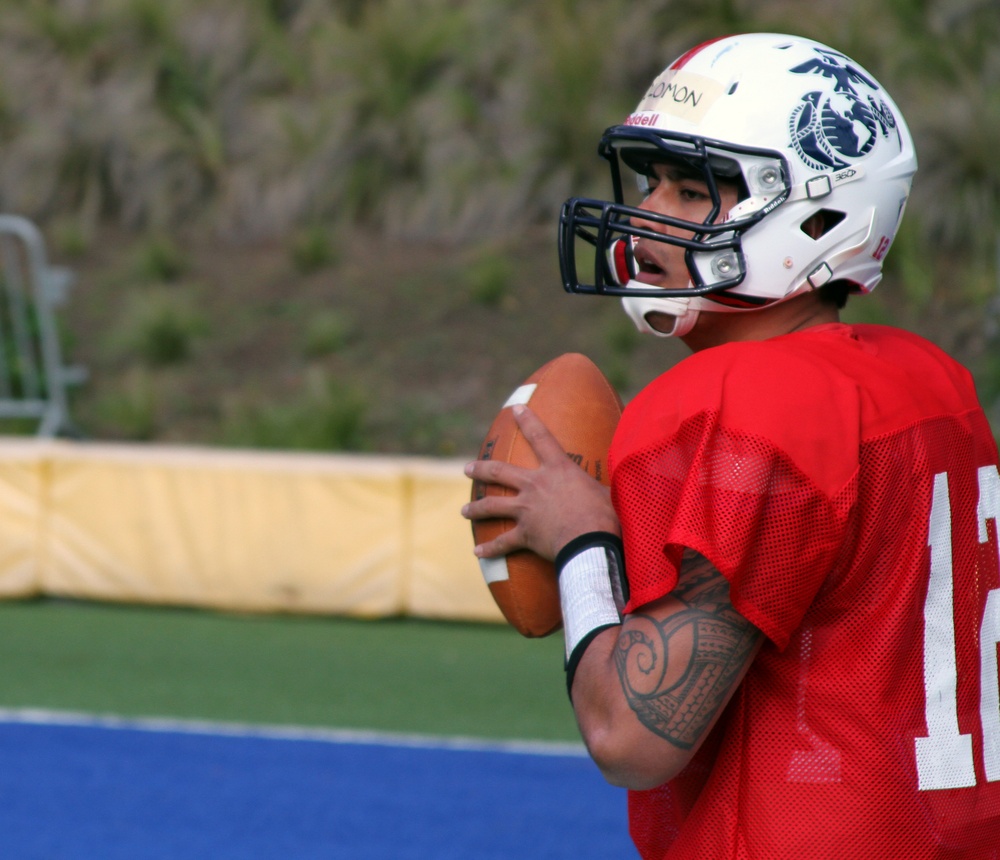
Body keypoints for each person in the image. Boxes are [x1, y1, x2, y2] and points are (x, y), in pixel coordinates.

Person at [462, 32, 1000, 859]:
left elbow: (630, 737)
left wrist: (582, 543)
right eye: (652, 182)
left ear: (818, 214)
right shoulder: (931, 381)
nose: (650, 213)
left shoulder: (742, 405)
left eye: (693, 191)